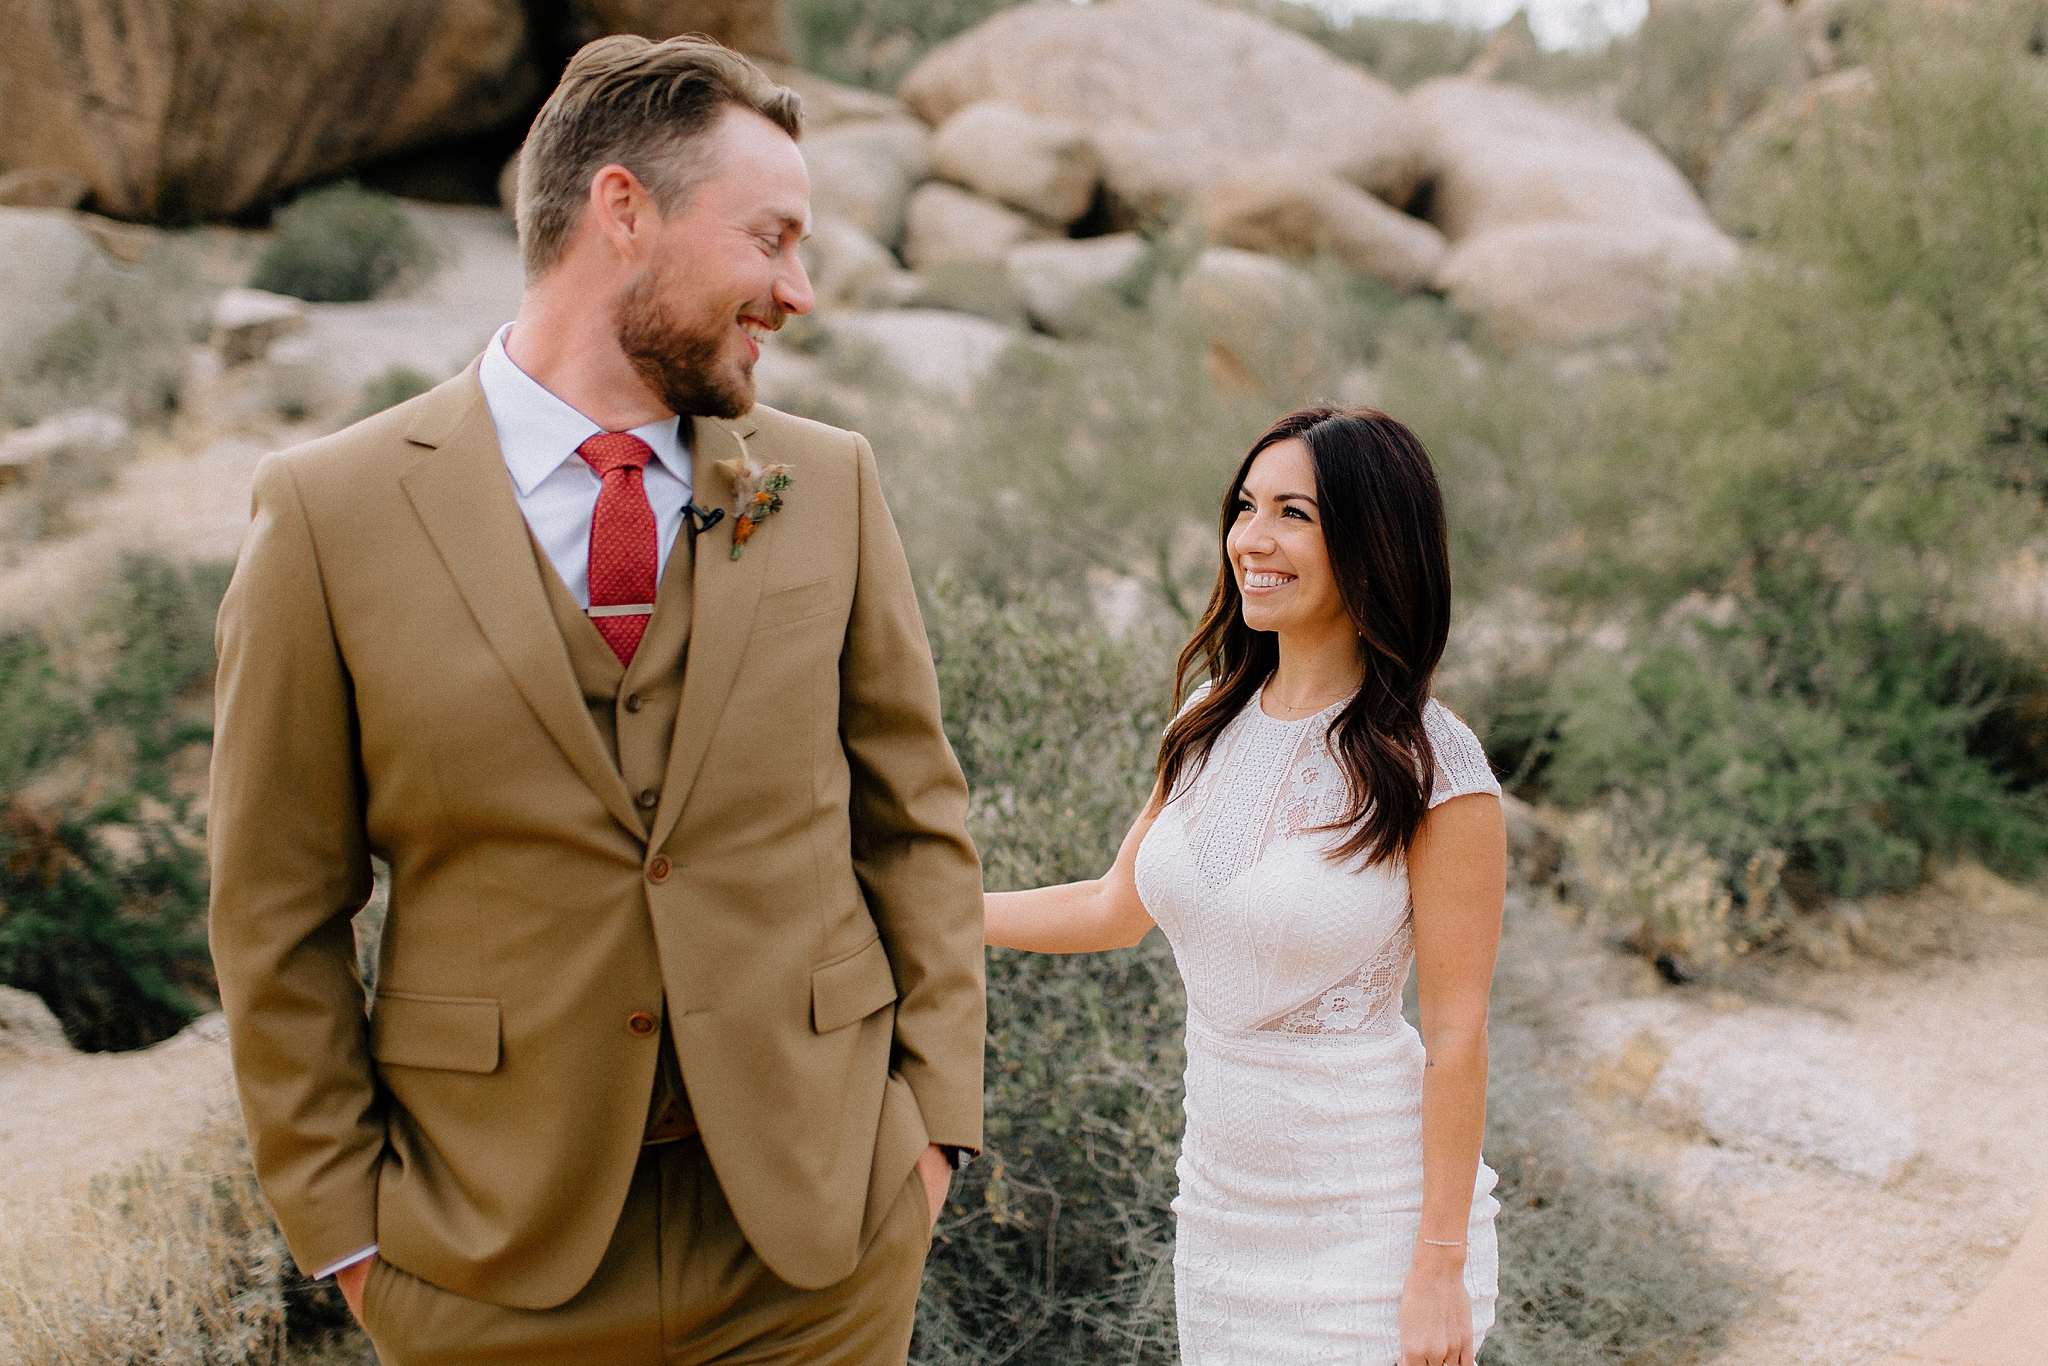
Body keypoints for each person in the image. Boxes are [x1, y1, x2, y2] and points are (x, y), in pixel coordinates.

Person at [207, 35, 986, 1366]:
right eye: (772, 237)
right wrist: (346, 1229)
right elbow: (274, 906)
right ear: (623, 211)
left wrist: (931, 1134)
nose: (798, 291)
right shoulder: (328, 513)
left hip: (818, 1245)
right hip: (490, 1264)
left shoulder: (830, 481)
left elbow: (915, 819)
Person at [983, 406, 1505, 1366]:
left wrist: (1439, 1260)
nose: (1251, 542)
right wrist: (925, 915)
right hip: (1220, 1214)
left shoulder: (1435, 761)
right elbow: (1109, 910)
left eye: (1293, 514)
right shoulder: (1206, 722)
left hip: (1375, 1229)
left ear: (1370, 540)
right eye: (1246, 507)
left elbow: (1459, 1032)